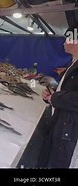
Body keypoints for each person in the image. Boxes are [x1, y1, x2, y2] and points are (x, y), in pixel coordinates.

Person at [38, 26, 78, 168]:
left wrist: (55, 98)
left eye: (67, 39)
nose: (63, 43)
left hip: (70, 133)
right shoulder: (73, 63)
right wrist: (51, 96)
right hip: (62, 125)